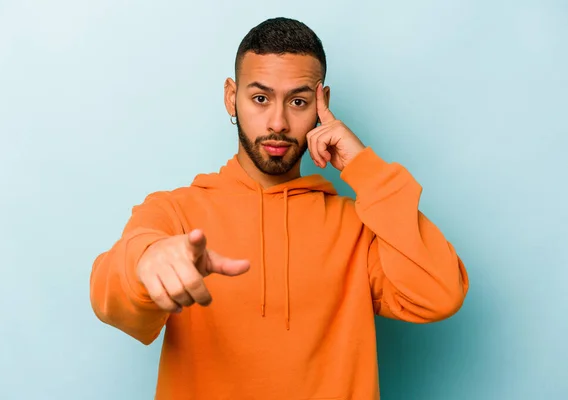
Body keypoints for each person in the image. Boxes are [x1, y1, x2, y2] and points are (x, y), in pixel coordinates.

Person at [89, 16, 469, 400]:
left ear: (323, 106)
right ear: (230, 97)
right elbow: (110, 299)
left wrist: (364, 169)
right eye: (260, 98)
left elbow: (440, 293)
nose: (278, 122)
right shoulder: (175, 212)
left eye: (298, 102)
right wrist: (146, 259)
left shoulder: (360, 227)